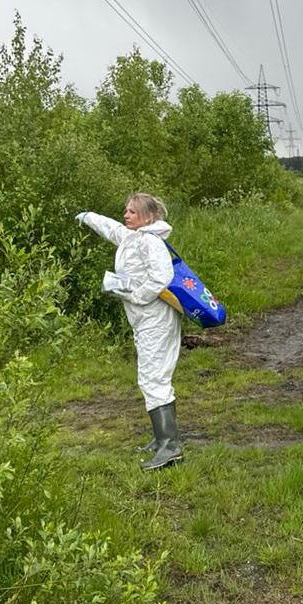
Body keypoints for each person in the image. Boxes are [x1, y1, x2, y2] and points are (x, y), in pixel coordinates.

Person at [76, 193, 184, 471]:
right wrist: (88, 217)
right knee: (150, 376)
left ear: (148, 216)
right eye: (126, 211)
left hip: (155, 320)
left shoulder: (150, 241)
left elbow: (162, 278)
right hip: (145, 320)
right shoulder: (133, 237)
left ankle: (170, 446)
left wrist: (134, 295)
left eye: (132, 212)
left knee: (152, 377)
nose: (126, 215)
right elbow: (113, 229)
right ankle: (162, 439)